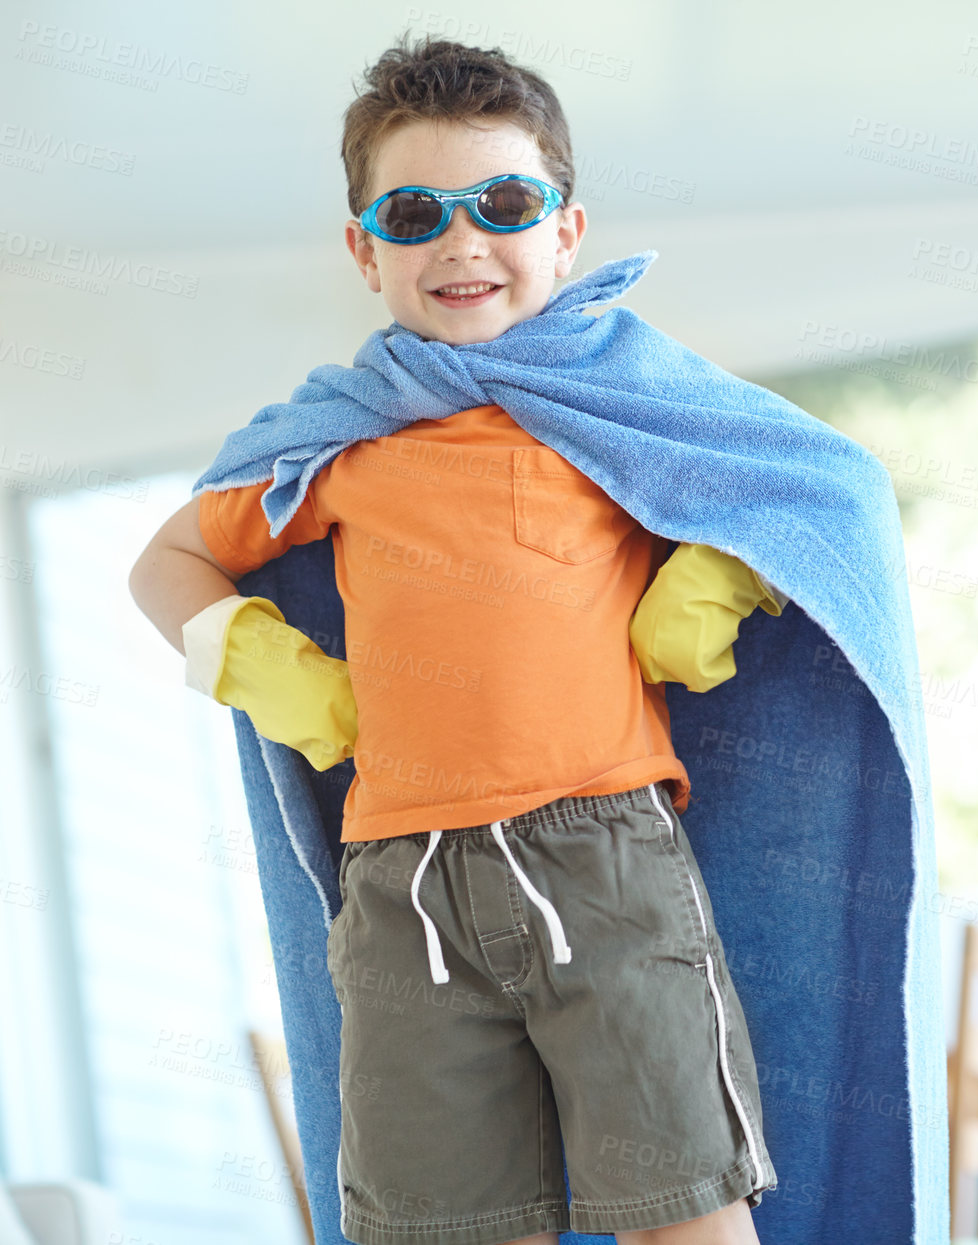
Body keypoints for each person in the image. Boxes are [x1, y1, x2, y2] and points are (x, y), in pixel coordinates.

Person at [127, 34, 784, 1245]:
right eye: (416, 211)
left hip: (608, 858)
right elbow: (165, 561)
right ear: (364, 248)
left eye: (505, 202)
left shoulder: (624, 402)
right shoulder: (338, 441)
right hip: (402, 888)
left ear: (566, 232)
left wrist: (704, 584)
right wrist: (286, 679)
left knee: (686, 1218)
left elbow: (807, 488)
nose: (463, 241)